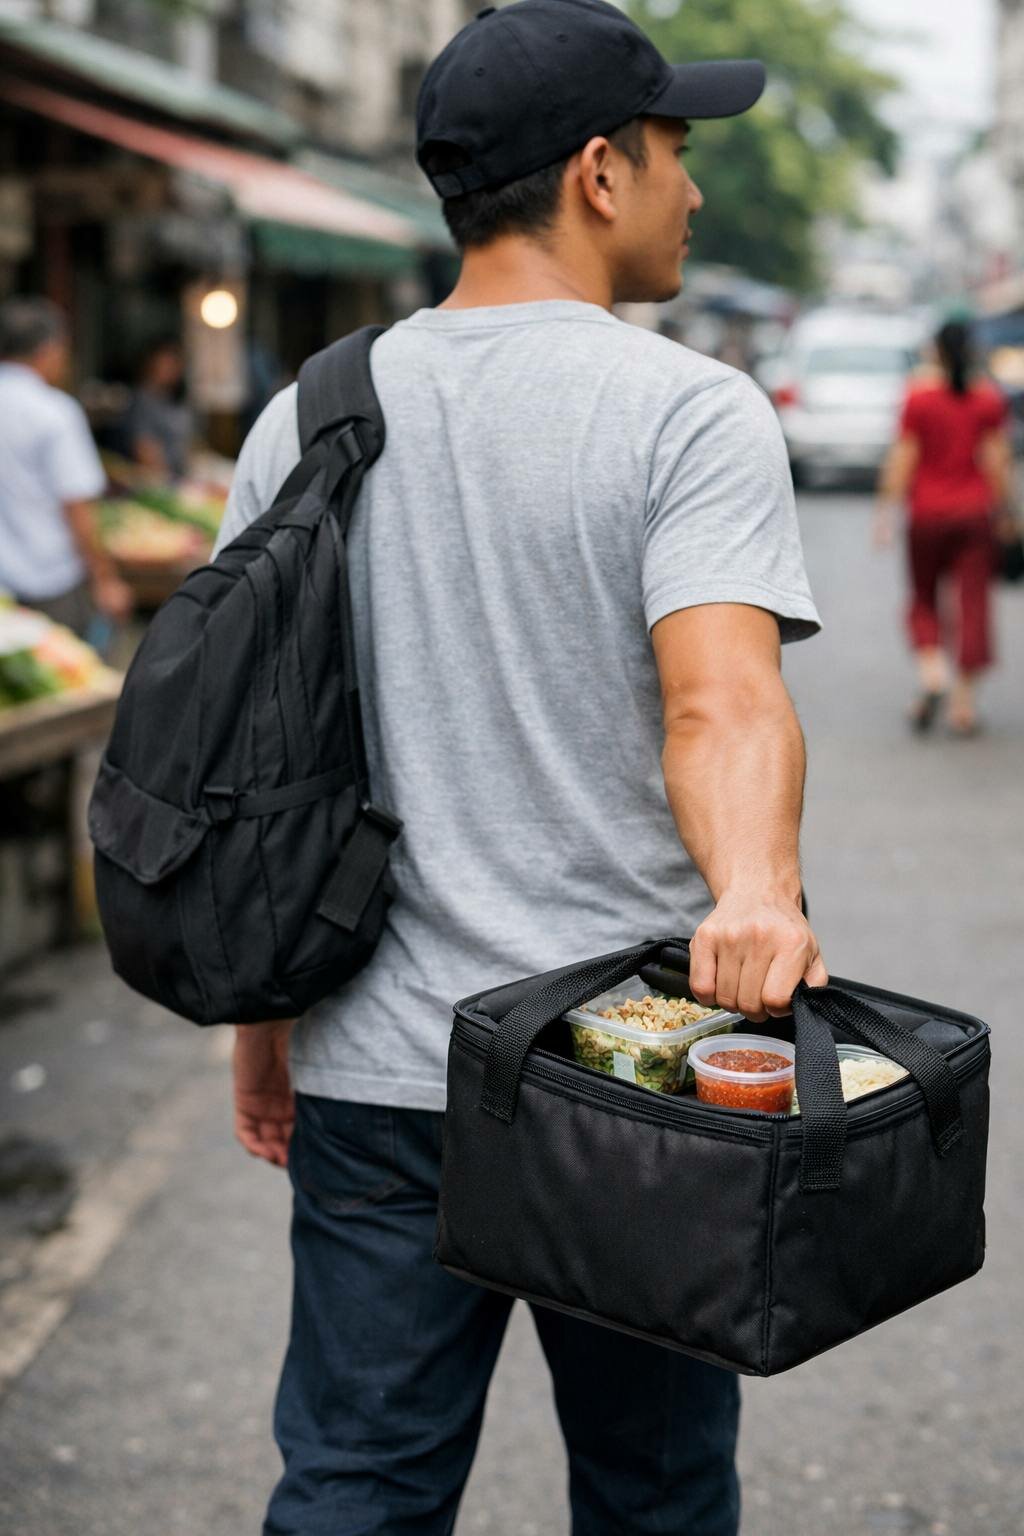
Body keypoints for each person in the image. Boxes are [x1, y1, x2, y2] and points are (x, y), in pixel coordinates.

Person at [216, 4, 826, 1531]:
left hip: (373, 1062)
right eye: (680, 151)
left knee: (357, 1487)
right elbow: (721, 703)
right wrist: (754, 889)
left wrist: (262, 1015)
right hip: (624, 1078)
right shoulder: (685, 409)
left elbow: (256, 760)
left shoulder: (308, 412)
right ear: (601, 173)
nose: (694, 187)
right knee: (657, 1492)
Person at [874, 320, 1015, 736]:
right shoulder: (987, 399)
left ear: (935, 351)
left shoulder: (918, 398)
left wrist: (884, 511)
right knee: (974, 604)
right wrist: (1008, 514)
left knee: (924, 598)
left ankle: (932, 676)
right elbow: (997, 462)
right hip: (974, 515)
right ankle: (964, 705)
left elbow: (904, 457)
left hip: (927, 515)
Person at [0, 297, 131, 636]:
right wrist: (105, 580)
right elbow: (77, 507)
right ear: (49, 349)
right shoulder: (55, 411)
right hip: (49, 581)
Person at [121, 335, 192, 482]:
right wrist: (169, 482)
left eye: (174, 364)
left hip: (180, 477)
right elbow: (144, 448)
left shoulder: (176, 398)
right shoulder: (143, 401)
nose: (170, 369)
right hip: (155, 482)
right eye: (165, 363)